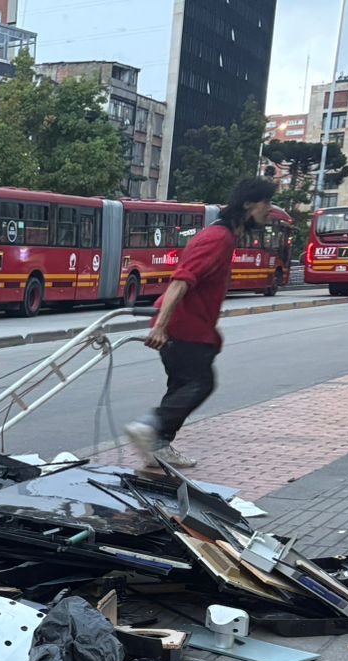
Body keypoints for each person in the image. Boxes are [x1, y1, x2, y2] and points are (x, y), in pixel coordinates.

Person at [126, 177, 276, 469]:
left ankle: (158, 446)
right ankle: (151, 425)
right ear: (248, 204)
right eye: (266, 203)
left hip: (189, 326)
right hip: (183, 325)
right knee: (201, 383)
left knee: (182, 385)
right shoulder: (218, 238)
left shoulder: (226, 237)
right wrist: (161, 326)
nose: (269, 210)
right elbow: (181, 280)